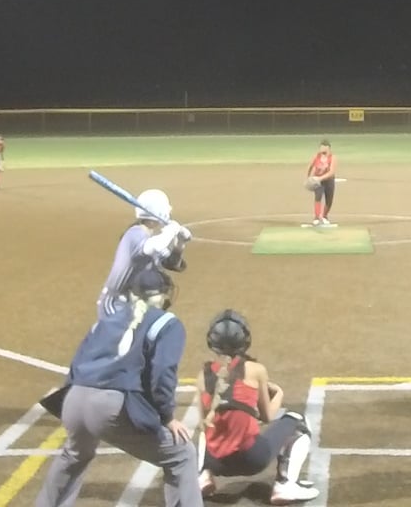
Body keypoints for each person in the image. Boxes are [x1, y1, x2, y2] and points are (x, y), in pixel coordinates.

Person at [34, 266, 202, 507]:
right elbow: (163, 374)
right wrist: (166, 417)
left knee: (74, 455)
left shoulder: (105, 320)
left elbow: (76, 364)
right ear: (163, 295)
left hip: (73, 399)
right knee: (182, 454)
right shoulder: (167, 323)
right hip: (108, 407)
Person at [196, 310, 319, 503]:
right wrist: (279, 393)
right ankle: (285, 485)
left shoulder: (202, 376)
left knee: (207, 428)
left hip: (216, 462)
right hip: (252, 459)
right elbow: (267, 416)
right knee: (298, 422)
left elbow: (203, 424)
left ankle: (202, 475)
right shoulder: (255, 370)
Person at [96, 188, 192, 318]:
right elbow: (155, 247)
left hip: (133, 304)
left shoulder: (150, 238)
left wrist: (180, 243)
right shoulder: (134, 234)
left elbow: (172, 263)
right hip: (114, 305)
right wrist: (171, 230)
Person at [305, 140, 336, 227]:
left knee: (329, 199)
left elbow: (331, 172)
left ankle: (325, 216)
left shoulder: (332, 158)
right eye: (322, 148)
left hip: (329, 180)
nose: (323, 151)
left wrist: (320, 178)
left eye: (325, 149)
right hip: (318, 181)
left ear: (329, 149)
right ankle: (317, 218)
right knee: (318, 197)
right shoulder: (316, 156)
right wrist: (308, 177)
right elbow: (310, 166)